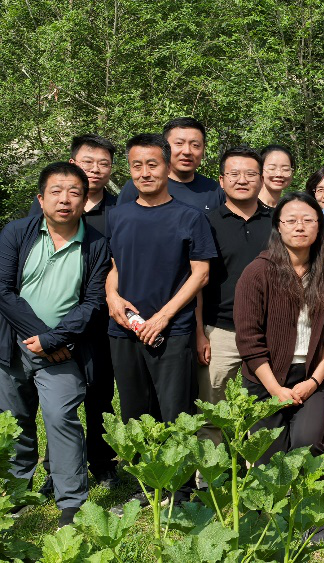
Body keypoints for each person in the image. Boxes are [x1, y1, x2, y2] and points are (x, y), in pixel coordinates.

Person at [107, 134, 216, 506]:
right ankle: (147, 486)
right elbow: (113, 265)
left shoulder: (190, 217)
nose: (144, 173)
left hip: (172, 329)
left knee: (175, 411)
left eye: (152, 164)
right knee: (134, 410)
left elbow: (200, 274)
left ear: (167, 167)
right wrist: (112, 297)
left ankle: (180, 491)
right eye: (136, 165)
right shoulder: (117, 215)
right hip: (125, 329)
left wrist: (163, 317)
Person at [0, 162, 110, 527]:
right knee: (15, 420)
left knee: (62, 417)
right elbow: (3, 290)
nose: (65, 200)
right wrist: (42, 337)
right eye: (56, 192)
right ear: (40, 198)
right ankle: (18, 493)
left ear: (85, 200)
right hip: (12, 346)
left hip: (62, 350)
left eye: (74, 193)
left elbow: (93, 302)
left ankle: (71, 502)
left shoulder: (96, 243)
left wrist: (53, 339)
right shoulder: (16, 232)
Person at [24, 134, 121, 489]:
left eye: (103, 163)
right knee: (56, 402)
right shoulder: (47, 207)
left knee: (99, 393)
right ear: (72, 163)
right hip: (55, 323)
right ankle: (56, 469)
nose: (95, 169)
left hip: (98, 320)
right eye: (87, 162)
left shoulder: (120, 209)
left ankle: (102, 462)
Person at [235, 192, 324, 464]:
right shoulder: (257, 272)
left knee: (307, 447)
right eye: (291, 220)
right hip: (265, 378)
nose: (299, 227)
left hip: (312, 375)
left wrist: (314, 382)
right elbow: (248, 340)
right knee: (269, 458)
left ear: (319, 226)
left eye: (308, 220)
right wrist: (275, 389)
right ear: (278, 226)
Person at [193, 146, 272, 445]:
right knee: (211, 412)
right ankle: (209, 471)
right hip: (219, 330)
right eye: (234, 174)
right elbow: (197, 282)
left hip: (266, 331)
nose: (242, 180)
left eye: (250, 174)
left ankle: (259, 470)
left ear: (261, 179)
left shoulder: (277, 222)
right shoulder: (205, 222)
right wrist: (199, 333)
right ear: (221, 180)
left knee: (265, 412)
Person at [118, 117, 226, 212]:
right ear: (165, 147)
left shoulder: (213, 190)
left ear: (203, 149)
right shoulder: (140, 185)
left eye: (195, 145)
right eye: (179, 143)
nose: (187, 151)